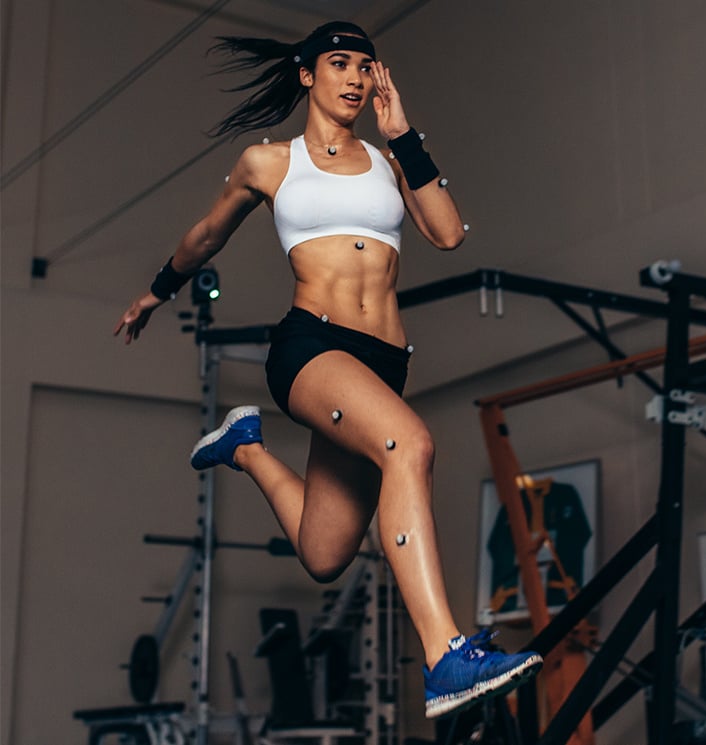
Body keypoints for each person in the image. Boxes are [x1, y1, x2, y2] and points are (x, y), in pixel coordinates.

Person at [113, 20, 541, 719]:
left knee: (323, 550)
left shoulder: (386, 158)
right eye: (339, 63)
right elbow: (207, 233)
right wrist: (157, 290)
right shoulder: (270, 162)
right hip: (312, 346)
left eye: (366, 67)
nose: (355, 78)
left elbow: (448, 231)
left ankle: (245, 447)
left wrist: (404, 135)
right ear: (308, 74)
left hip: (381, 361)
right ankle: (445, 658)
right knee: (411, 444)